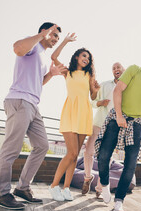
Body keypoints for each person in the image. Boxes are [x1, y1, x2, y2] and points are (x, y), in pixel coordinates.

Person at [0, 22, 64, 210]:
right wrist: (41, 35)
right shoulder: (32, 46)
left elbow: (39, 82)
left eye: (57, 37)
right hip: (19, 100)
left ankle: (23, 188)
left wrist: (51, 73)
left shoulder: (41, 56)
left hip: (33, 104)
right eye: (53, 34)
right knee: (11, 149)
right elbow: (17, 48)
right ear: (44, 31)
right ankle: (2, 194)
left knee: (42, 146)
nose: (55, 39)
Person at [95, 47, 141, 211]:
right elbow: (117, 90)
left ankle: (119, 200)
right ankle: (104, 184)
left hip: (135, 123)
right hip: (116, 117)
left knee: (130, 165)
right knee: (103, 155)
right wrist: (119, 116)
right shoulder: (135, 69)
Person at [48, 33, 100, 201]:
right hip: (71, 112)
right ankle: (54, 186)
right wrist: (65, 41)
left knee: (76, 154)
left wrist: (96, 89)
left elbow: (92, 97)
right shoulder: (67, 72)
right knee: (71, 153)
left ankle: (66, 189)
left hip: (84, 114)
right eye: (84, 56)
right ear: (77, 57)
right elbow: (53, 56)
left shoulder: (90, 75)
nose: (87, 59)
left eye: (89, 58)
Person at [82, 62, 125, 198]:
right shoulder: (105, 84)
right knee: (88, 150)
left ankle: (100, 188)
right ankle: (87, 177)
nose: (116, 69)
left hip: (114, 126)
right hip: (99, 122)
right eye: (113, 68)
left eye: (119, 67)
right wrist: (100, 103)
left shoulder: (127, 88)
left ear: (124, 70)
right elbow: (92, 102)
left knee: (107, 157)